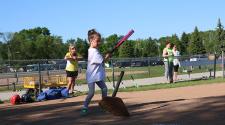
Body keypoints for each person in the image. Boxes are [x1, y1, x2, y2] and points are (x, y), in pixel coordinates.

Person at [81, 29, 111, 115]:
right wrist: (107, 56)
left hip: (96, 75)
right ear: (91, 40)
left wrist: (106, 56)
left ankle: (104, 105)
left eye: (99, 41)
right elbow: (102, 61)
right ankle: (85, 106)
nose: (99, 43)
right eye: (97, 41)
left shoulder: (93, 50)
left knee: (104, 89)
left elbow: (100, 59)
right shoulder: (93, 51)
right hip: (92, 76)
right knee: (91, 93)